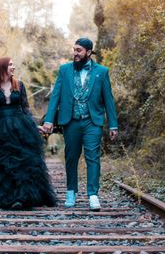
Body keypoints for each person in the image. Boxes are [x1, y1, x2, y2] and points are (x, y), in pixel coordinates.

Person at [43, 38, 118, 210]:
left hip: (92, 121)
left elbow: (108, 100)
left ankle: (93, 195)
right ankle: (71, 192)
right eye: (74, 50)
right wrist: (48, 119)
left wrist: (113, 124)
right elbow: (56, 96)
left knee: (93, 157)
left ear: (89, 52)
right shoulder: (64, 70)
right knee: (71, 157)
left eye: (79, 50)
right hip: (71, 121)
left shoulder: (102, 72)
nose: (75, 53)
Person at [0, 57, 56, 210]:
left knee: (23, 162)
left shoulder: (19, 85)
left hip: (20, 127)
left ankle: (22, 197)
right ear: (2, 68)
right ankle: (8, 197)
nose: (13, 67)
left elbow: (26, 109)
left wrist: (34, 126)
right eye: (10, 65)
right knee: (3, 164)